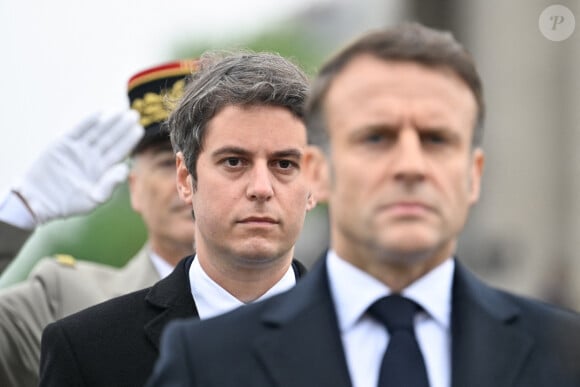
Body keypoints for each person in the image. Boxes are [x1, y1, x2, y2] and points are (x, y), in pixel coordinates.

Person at [147, 23, 580, 387]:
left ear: (474, 173)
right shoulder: (204, 362)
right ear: (319, 170)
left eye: (437, 139)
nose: (410, 166)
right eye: (376, 138)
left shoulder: (565, 352)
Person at [38, 50, 317, 387]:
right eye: (234, 162)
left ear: (314, 182)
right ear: (185, 179)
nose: (261, 188)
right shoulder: (86, 351)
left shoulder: (380, 337)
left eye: (284, 164)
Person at [0, 59, 197, 387]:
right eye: (167, 163)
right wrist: (18, 212)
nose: (189, 180)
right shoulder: (64, 300)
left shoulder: (304, 299)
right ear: (134, 188)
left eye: (226, 160)